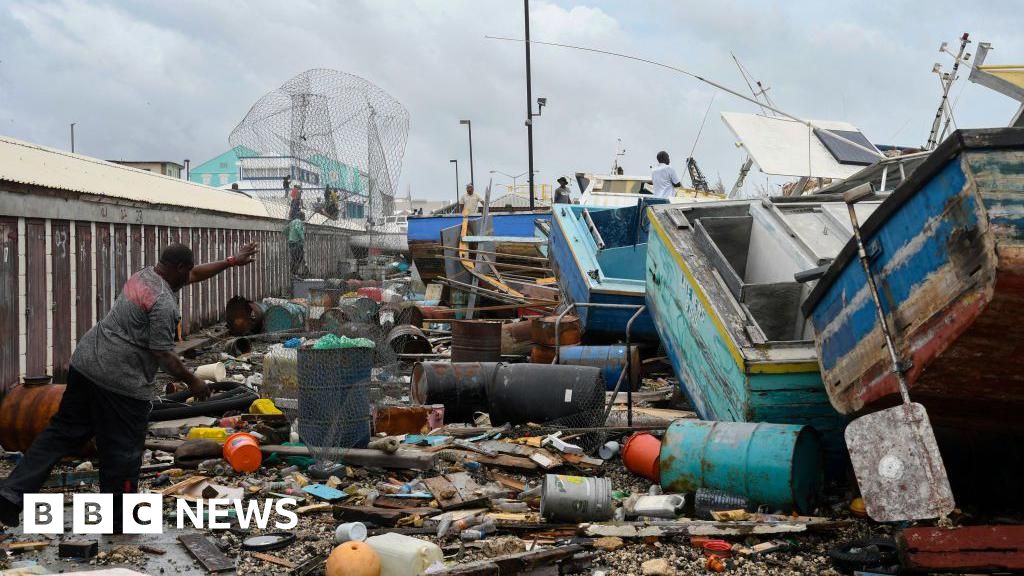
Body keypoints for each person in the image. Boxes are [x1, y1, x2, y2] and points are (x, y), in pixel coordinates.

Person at [0, 242, 258, 530]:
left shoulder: (144, 276)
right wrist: (194, 381)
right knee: (122, 452)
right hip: (119, 383)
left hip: (85, 364)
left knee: (60, 433)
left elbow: (195, 273)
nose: (191, 276)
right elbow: (163, 354)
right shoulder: (163, 303)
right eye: (187, 270)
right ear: (179, 269)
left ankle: (12, 493)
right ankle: (120, 523)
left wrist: (231, 261)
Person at [286, 212, 306, 277]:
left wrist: (289, 237)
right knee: (299, 257)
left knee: (294, 258)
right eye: (304, 216)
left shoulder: (291, 222)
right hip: (297, 243)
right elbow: (298, 229)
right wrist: (302, 238)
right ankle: (295, 273)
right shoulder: (299, 222)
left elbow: (285, 230)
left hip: (291, 243)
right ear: (302, 217)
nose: (304, 218)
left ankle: (293, 273)